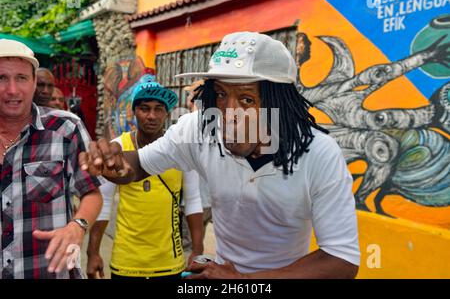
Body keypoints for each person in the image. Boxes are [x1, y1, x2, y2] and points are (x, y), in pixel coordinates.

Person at [79, 32, 360, 278]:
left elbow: (342, 261)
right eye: (222, 95)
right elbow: (137, 165)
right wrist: (114, 162)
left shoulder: (319, 153)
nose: (228, 114)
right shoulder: (199, 129)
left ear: (279, 104)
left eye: (247, 100)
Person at [0, 39, 103, 279]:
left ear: (34, 82)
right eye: (1, 78)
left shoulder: (66, 128)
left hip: (50, 272)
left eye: (22, 78)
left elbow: (92, 193)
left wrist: (77, 226)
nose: (12, 90)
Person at [86, 75, 204, 280]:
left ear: (167, 114)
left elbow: (193, 200)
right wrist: (92, 252)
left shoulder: (180, 148)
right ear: (134, 112)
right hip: (126, 262)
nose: (151, 115)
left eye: (158, 109)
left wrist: (198, 249)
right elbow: (104, 202)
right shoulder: (118, 148)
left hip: (169, 262)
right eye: (144, 108)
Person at [181, 81, 213, 256]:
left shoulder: (186, 126)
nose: (187, 99)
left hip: (193, 202)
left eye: (189, 95)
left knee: (189, 249)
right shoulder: (219, 126)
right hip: (213, 200)